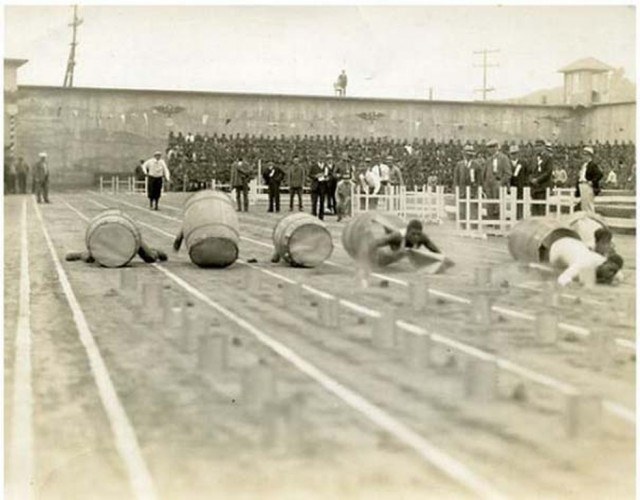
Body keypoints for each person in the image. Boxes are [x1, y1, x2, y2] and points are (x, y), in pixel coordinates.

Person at [453, 144, 484, 225]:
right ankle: (462, 227)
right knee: (462, 211)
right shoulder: (459, 165)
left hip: (472, 192)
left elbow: (480, 181)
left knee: (473, 211)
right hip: (462, 192)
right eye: (466, 154)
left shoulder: (477, 165)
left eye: (470, 154)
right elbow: (456, 179)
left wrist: (478, 191)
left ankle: (474, 226)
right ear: (463, 154)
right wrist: (456, 191)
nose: (468, 156)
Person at [482, 139, 512, 219]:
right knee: (489, 205)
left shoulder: (503, 158)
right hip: (489, 186)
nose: (490, 149)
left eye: (492, 147)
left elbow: (508, 173)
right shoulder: (488, 160)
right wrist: (485, 184)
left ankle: (498, 223)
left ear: (497, 147)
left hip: (498, 185)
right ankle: (490, 221)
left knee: (498, 205)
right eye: (489, 148)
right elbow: (484, 173)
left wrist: (501, 182)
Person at [575, 146, 603, 214]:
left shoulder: (593, 165)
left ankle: (591, 219)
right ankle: (586, 220)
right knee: (584, 204)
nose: (583, 157)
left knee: (589, 204)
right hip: (582, 185)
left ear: (589, 156)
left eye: (585, 155)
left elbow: (599, 174)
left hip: (588, 186)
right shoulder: (584, 165)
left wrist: (592, 181)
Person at [529, 140, 554, 216]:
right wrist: (531, 179)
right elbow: (530, 170)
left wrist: (538, 179)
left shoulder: (548, 157)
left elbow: (548, 172)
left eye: (539, 146)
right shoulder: (534, 158)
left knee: (542, 208)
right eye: (536, 146)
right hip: (534, 187)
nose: (538, 148)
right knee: (534, 208)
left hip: (543, 186)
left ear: (543, 147)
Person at [508, 145, 529, 219]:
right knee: (512, 202)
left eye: (515, 153)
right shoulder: (507, 162)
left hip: (520, 185)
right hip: (511, 185)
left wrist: (525, 183)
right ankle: (513, 216)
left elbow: (527, 173)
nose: (514, 155)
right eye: (512, 153)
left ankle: (520, 217)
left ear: (518, 154)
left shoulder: (523, 162)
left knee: (520, 202)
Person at [308, 154, 330, 220]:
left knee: (322, 202)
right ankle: (314, 215)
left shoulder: (326, 166)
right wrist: (315, 176)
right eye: (320, 158)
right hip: (315, 186)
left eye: (322, 158)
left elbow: (329, 175)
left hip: (323, 186)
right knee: (314, 202)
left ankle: (321, 216)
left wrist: (328, 178)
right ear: (318, 159)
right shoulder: (313, 166)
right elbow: (309, 175)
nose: (321, 159)